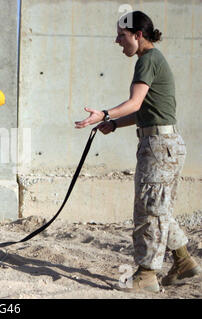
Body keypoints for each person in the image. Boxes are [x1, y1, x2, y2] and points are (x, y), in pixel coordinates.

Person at [74, 11, 200, 293]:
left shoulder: (147, 60)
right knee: (157, 207)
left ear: (138, 35)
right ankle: (183, 261)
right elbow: (146, 109)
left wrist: (103, 113)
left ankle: (146, 275)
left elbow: (134, 102)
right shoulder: (153, 60)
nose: (117, 41)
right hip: (163, 143)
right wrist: (114, 123)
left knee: (148, 211)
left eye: (122, 35)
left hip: (158, 146)